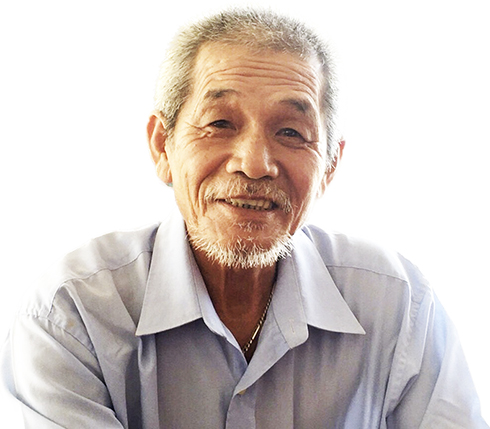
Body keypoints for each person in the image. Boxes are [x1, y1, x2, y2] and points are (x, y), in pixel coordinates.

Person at [1, 8, 488, 429]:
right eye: (219, 123)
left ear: (329, 167)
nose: (254, 164)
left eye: (291, 132)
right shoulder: (72, 313)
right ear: (162, 146)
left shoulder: (399, 305)